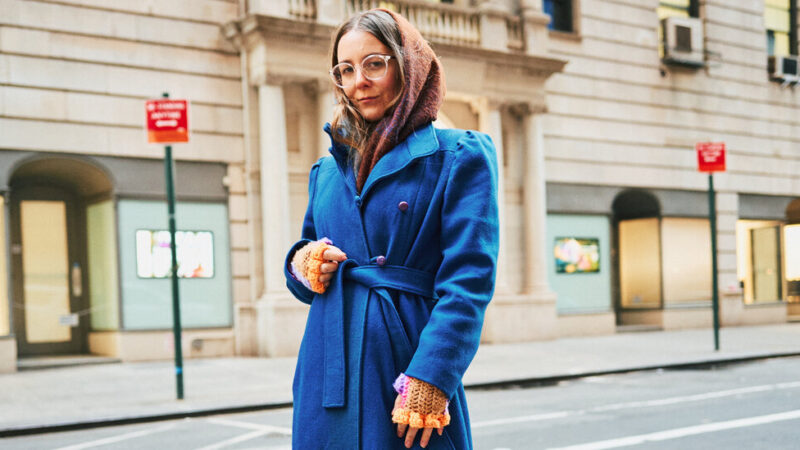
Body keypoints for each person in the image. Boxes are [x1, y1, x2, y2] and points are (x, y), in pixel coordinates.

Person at [284, 8, 499, 449]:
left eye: (374, 64)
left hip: (406, 369)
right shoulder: (326, 169)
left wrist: (432, 377)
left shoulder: (458, 155)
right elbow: (306, 265)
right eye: (345, 69)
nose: (358, 81)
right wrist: (302, 261)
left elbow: (468, 281)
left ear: (408, 65)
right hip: (327, 369)